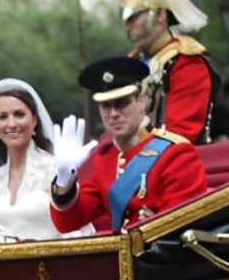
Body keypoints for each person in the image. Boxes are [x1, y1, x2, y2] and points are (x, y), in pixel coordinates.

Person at [50, 58, 208, 233]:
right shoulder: (105, 158)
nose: (114, 114)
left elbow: (180, 230)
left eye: (122, 103)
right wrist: (64, 181)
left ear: (141, 102)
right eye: (106, 106)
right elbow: (68, 223)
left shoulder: (176, 154)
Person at [117, 0, 220, 145]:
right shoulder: (130, 64)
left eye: (134, 16)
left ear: (161, 15)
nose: (128, 25)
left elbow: (180, 134)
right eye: (124, 18)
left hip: (174, 167)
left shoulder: (185, 62)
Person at [0, 79, 87, 241]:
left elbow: (79, 229)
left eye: (19, 114)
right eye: (2, 117)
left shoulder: (55, 170)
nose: (11, 124)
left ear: (35, 120)